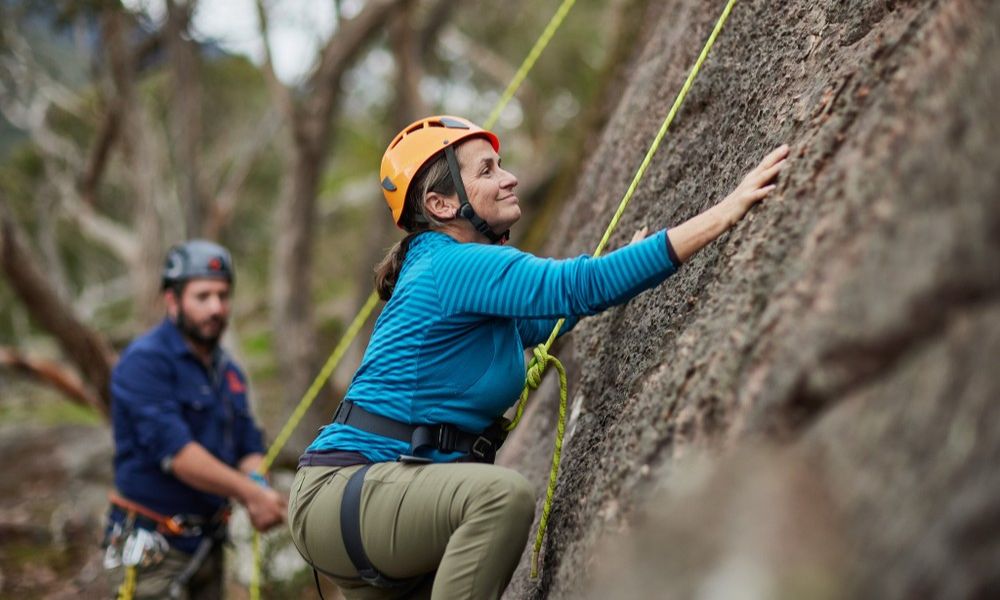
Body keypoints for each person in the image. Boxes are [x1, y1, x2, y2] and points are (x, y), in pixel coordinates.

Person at [287, 116, 789, 599]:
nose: (509, 178)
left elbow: (549, 316)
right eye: (487, 170)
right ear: (441, 204)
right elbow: (582, 287)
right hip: (349, 491)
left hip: (360, 503)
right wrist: (723, 213)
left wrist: (626, 266)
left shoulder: (450, 274)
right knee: (499, 499)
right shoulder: (452, 264)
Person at [104, 240, 286, 599]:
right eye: (203, 296)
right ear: (172, 301)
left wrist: (258, 486)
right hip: (153, 551)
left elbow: (248, 442)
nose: (216, 307)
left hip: (209, 545)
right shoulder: (143, 362)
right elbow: (179, 455)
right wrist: (250, 493)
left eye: (223, 295)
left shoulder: (228, 371)